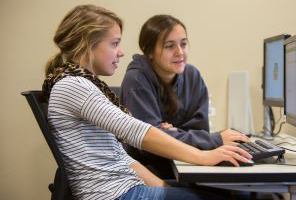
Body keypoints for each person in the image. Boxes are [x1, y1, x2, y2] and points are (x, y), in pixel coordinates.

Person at [42, 4, 252, 200]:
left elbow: (121, 157)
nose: (121, 51)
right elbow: (138, 132)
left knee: (225, 193)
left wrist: (163, 187)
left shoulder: (81, 84)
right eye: (115, 43)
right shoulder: (75, 86)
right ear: (87, 45)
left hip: (125, 186)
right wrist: (203, 156)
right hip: (112, 194)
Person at [119, 14, 249, 178]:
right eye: (169, 46)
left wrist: (171, 133)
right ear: (150, 52)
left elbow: (200, 130)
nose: (180, 52)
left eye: (184, 44)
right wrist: (214, 140)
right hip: (149, 172)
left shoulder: (192, 75)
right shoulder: (136, 81)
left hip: (187, 163)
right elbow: (149, 142)